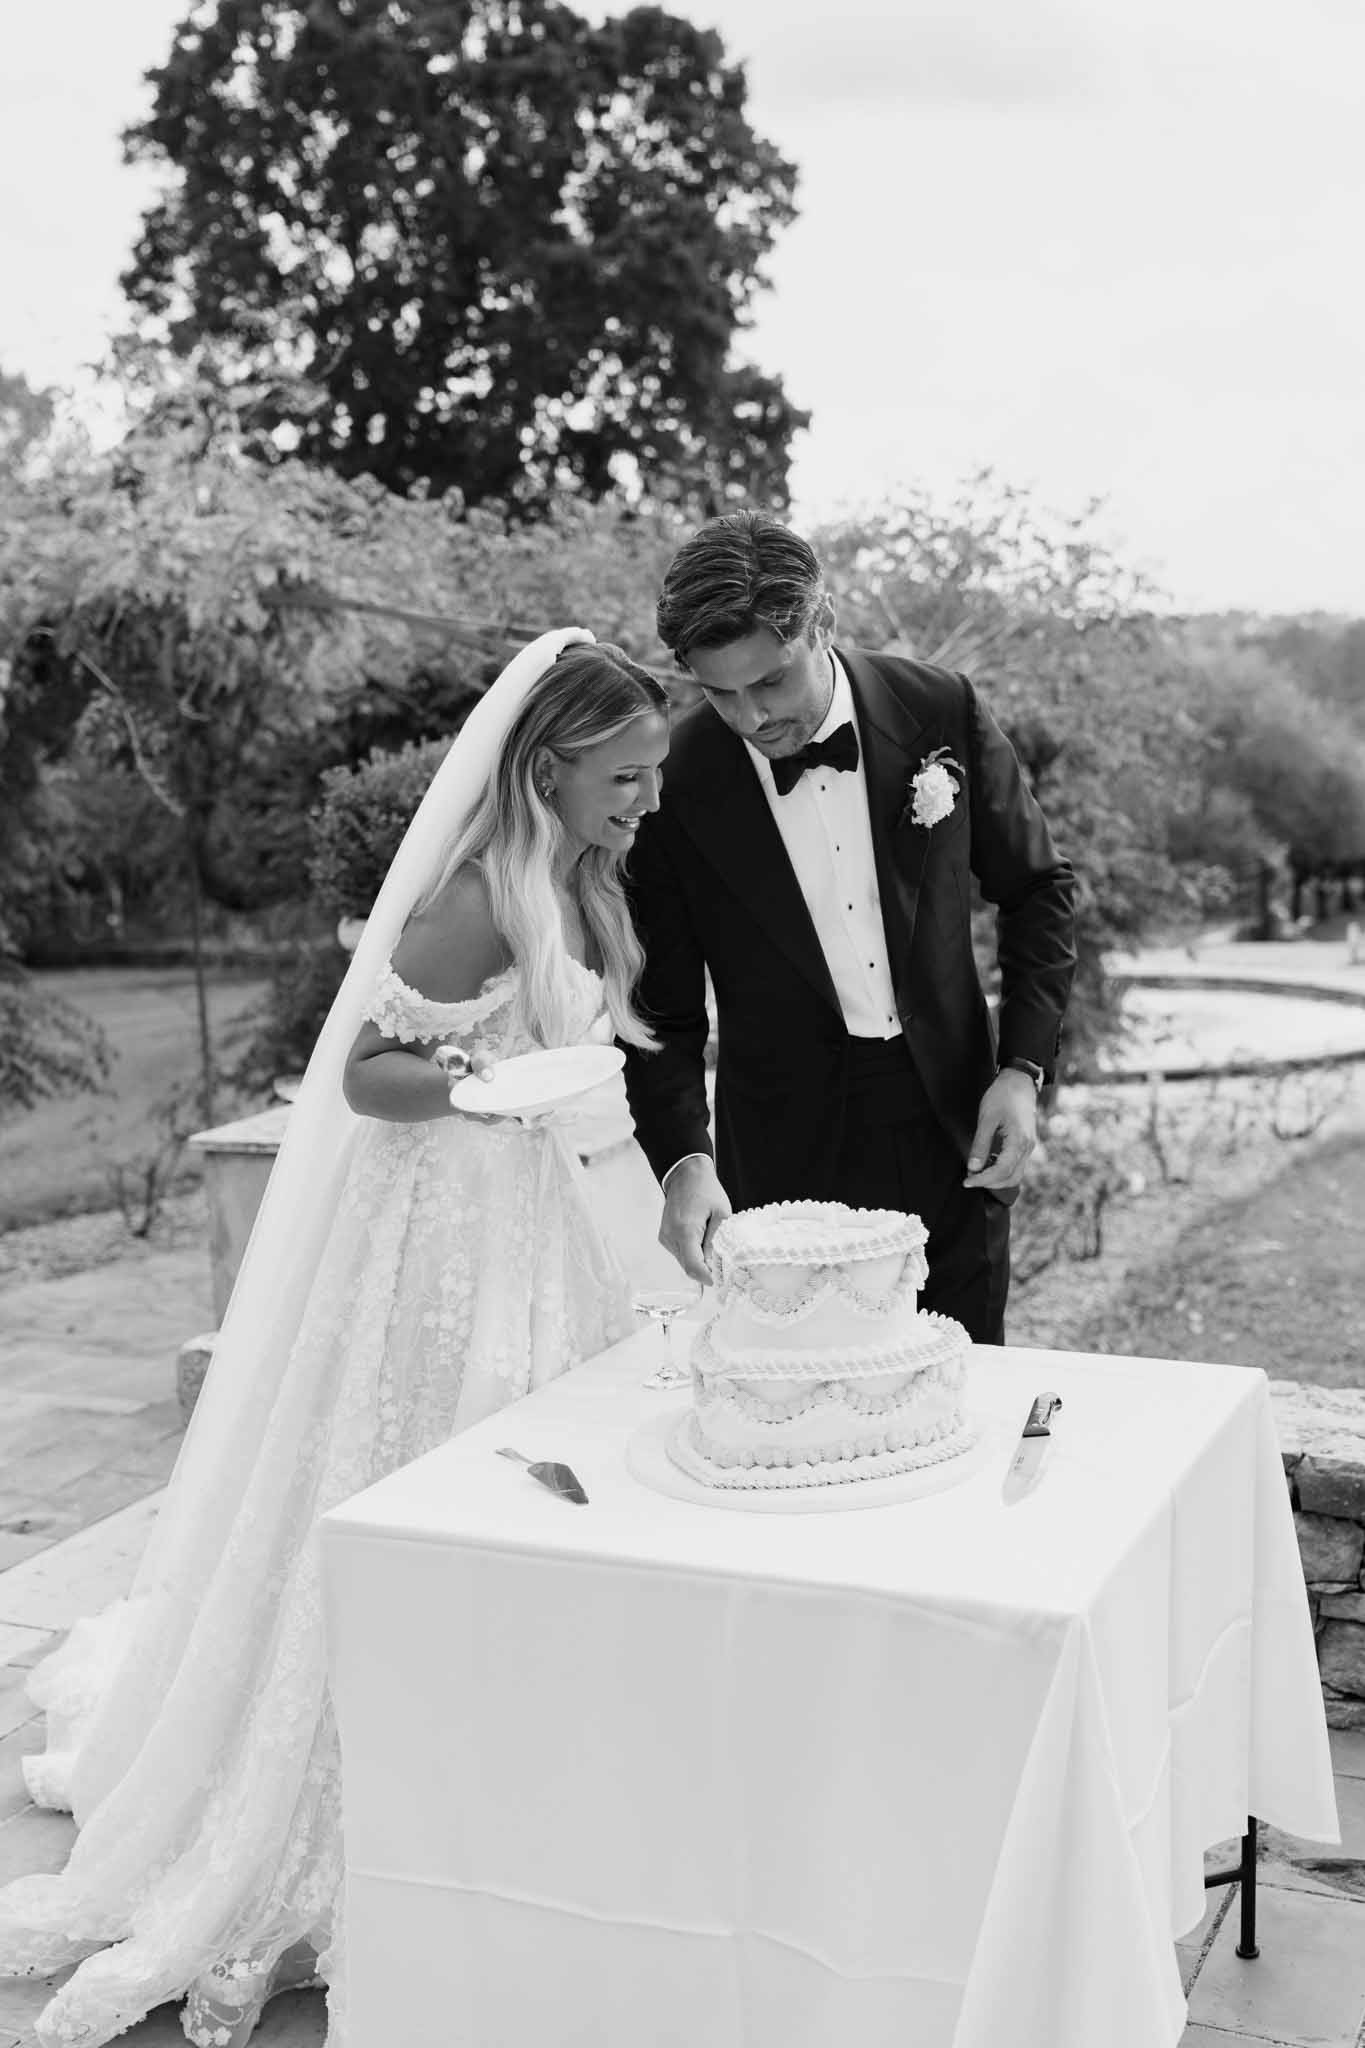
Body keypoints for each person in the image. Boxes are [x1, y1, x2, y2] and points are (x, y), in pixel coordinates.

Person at [0, 631, 670, 2047]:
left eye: (653, 773)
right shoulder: (478, 900)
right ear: (549, 763)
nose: (647, 799)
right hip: (445, 1240)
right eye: (627, 774)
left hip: (535, 1229)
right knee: (417, 1486)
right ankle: (342, 1809)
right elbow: (366, 1073)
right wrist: (485, 1082)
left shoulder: (578, 881)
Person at [621, 512, 1076, 1343]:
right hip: (783, 1165)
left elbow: (1038, 888)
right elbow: (661, 1008)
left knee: (958, 1391)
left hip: (953, 1135)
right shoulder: (675, 783)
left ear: (821, 623)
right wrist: (684, 1160)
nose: (750, 719)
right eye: (718, 692)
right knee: (808, 1410)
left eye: (770, 682)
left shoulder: (938, 709)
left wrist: (1021, 1068)